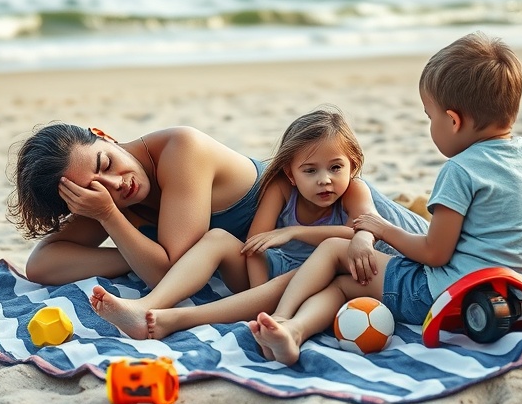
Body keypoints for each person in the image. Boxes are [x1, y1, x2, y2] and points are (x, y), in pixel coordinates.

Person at [250, 32, 522, 365]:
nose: (430, 125)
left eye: (430, 117)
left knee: (338, 264)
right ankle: (289, 327)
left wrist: (382, 228)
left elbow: (434, 254)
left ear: (453, 120)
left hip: (448, 294)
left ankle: (286, 322)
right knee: (349, 277)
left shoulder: (460, 170)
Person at [90, 107, 381, 339]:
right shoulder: (280, 187)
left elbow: (366, 231)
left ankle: (170, 320)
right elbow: (254, 247)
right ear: (291, 174)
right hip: (276, 271)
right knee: (217, 238)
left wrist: (294, 231)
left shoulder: (354, 190)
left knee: (295, 277)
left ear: (352, 165)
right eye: (310, 170)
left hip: (323, 273)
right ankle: (146, 305)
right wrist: (258, 292)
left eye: (336, 167)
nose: (324, 180)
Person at [9, 124, 265, 286]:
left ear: (103, 136)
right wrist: (137, 254)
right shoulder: (102, 201)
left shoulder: (182, 148)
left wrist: (110, 217)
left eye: (106, 163)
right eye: (92, 189)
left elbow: (172, 277)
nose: (116, 184)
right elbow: (41, 266)